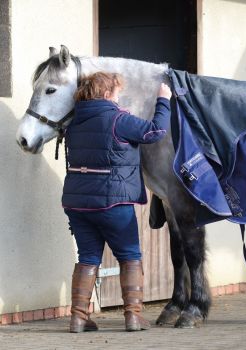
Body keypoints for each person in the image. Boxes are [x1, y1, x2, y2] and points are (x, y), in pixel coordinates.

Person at [62, 72, 172, 333]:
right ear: (107, 93)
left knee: (88, 258)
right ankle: (133, 316)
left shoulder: (73, 122)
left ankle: (78, 318)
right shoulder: (118, 119)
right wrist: (163, 100)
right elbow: (155, 131)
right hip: (114, 203)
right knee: (130, 256)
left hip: (78, 204)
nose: (119, 96)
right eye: (117, 91)